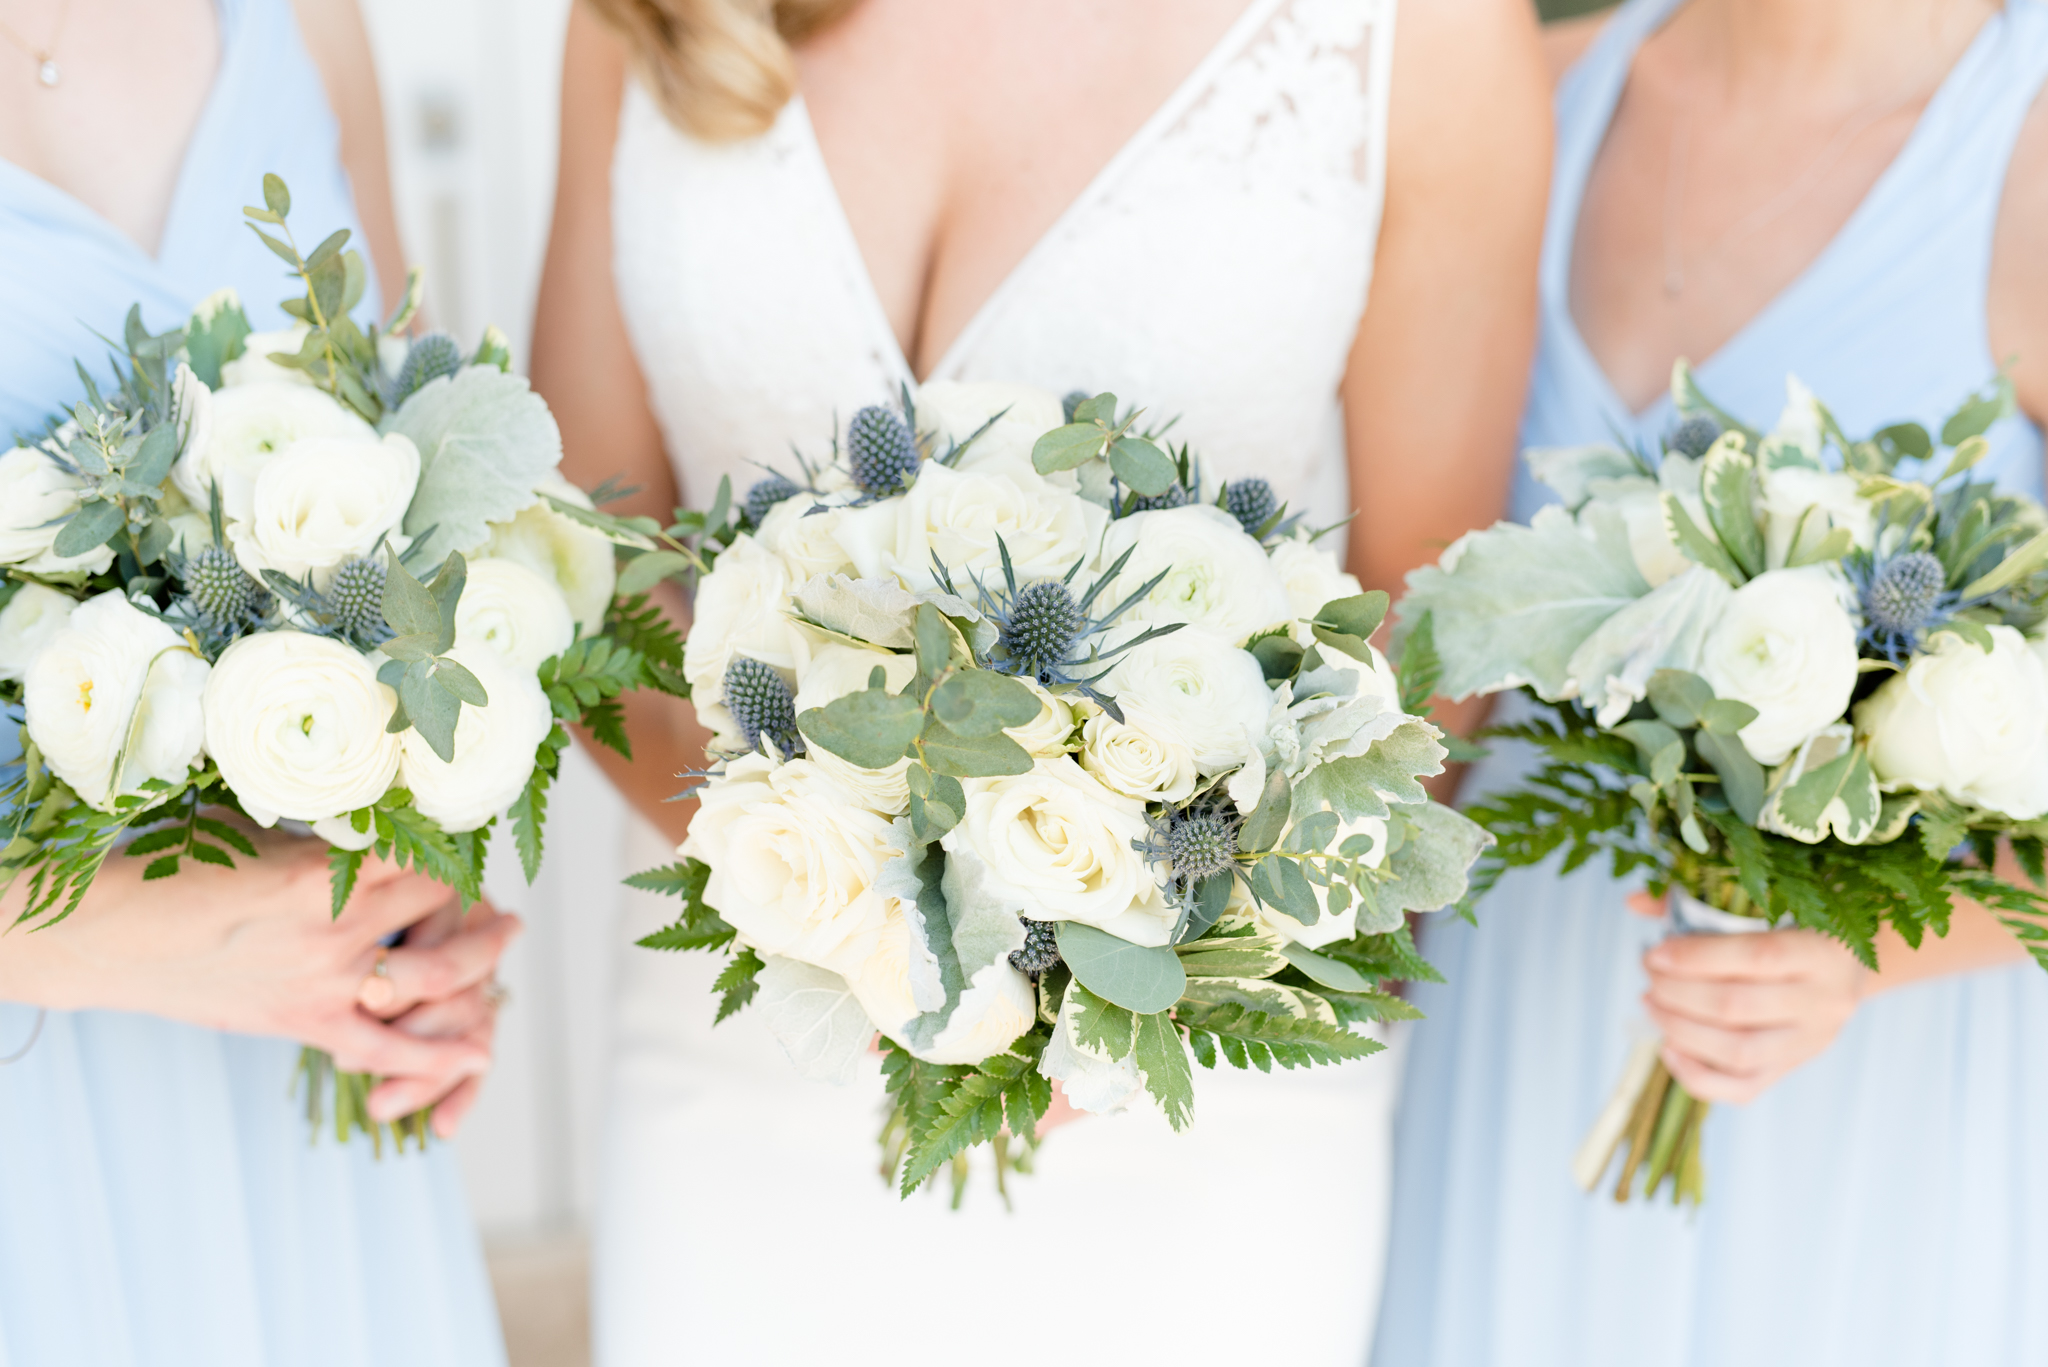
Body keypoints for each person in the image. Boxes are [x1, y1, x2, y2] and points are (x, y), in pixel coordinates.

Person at [530, 0, 1549, 1360]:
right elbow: (585, 562)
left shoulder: (1421, 36)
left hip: (1179, 1095)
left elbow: (1430, 635)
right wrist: (852, 909)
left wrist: (1118, 954)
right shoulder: (642, 22)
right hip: (751, 1041)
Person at [1373, 0, 2048, 1363]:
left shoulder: (2022, 143)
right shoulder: (1524, 95)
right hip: (1510, 1044)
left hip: (1877, 1094)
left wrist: (1870, 957)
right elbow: (1420, 636)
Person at [0, 1, 515, 1362]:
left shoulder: (301, 23)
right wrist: (64, 933)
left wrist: (415, 899)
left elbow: (426, 521)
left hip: (291, 1075)